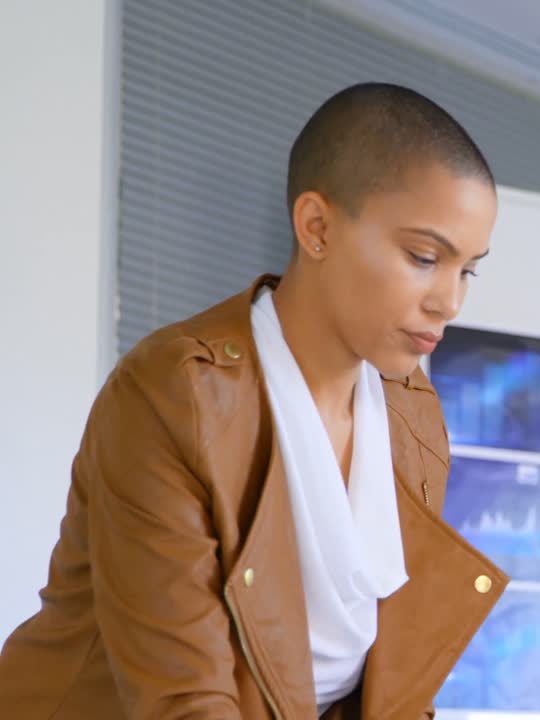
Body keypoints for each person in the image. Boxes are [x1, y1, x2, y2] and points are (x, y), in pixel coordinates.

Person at [0, 82, 505, 718]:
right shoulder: (175, 394)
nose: (449, 301)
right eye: (424, 257)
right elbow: (185, 702)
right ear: (316, 227)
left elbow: (392, 688)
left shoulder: (412, 413)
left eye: (468, 270)